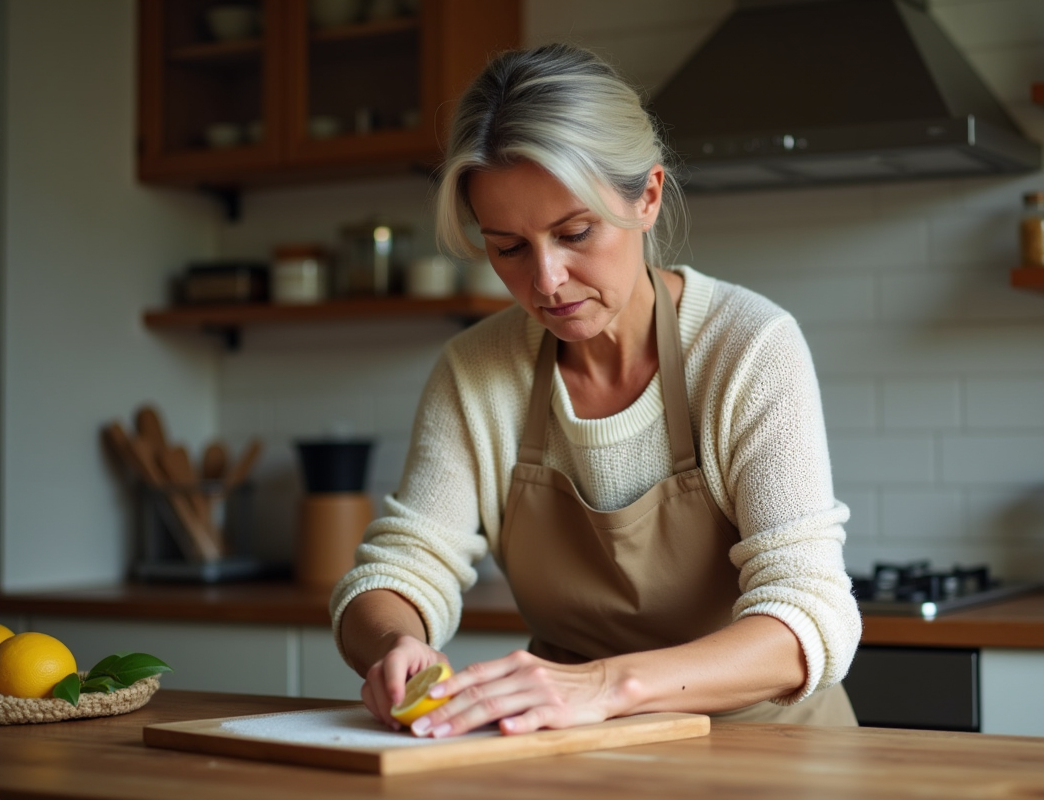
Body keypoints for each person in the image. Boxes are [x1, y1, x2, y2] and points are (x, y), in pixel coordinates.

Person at [330, 43, 861, 739]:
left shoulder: (746, 347)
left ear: (647, 196)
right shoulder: (477, 371)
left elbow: (812, 616)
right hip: (572, 753)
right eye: (509, 247)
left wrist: (606, 684)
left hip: (767, 748)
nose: (546, 280)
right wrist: (397, 643)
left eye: (574, 233)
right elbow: (400, 569)